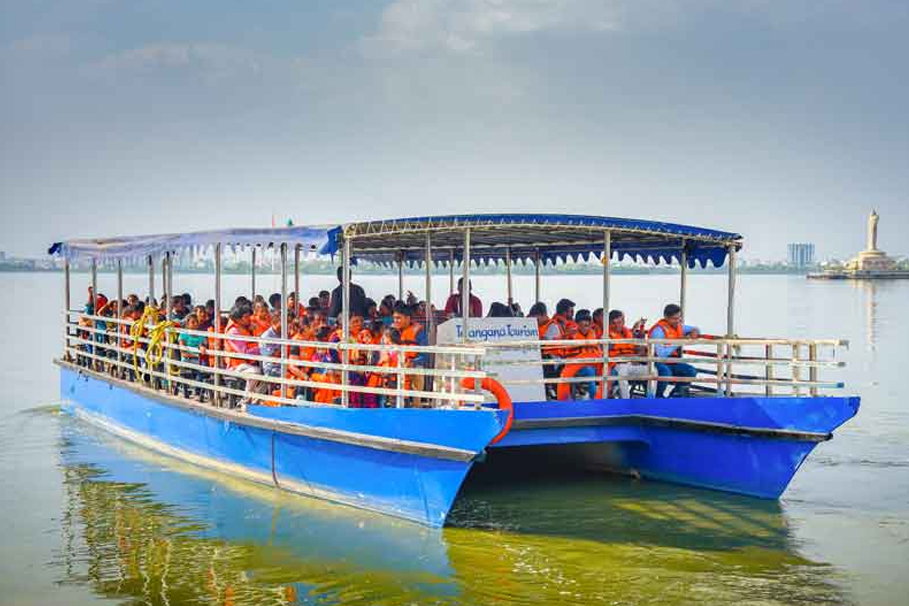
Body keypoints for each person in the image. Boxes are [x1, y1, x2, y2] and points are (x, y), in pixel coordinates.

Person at [649, 303, 700, 397]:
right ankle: (658, 396)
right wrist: (678, 342)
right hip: (658, 362)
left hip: (673, 361)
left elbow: (695, 328)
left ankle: (677, 393)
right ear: (666, 317)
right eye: (674, 318)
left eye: (679, 318)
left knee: (690, 371)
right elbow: (660, 354)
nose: (678, 321)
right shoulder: (658, 331)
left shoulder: (679, 326)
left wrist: (695, 331)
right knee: (665, 373)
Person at [223, 301, 264, 405]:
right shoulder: (233, 332)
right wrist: (261, 348)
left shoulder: (248, 328)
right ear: (238, 319)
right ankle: (245, 400)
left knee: (270, 374)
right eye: (246, 317)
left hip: (252, 362)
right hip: (236, 366)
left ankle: (256, 400)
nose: (249, 319)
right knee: (255, 372)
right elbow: (244, 352)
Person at [607, 309, 649, 399]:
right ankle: (625, 399)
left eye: (620, 322)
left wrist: (641, 351)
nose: (617, 325)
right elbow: (611, 356)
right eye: (614, 323)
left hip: (633, 363)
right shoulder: (607, 336)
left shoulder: (628, 333)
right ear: (610, 323)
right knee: (622, 373)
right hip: (618, 365)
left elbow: (637, 347)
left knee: (653, 370)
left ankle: (651, 398)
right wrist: (633, 357)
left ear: (623, 321)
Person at [392, 301, 428, 403]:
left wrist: (413, 362)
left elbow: (424, 354)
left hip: (413, 368)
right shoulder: (391, 331)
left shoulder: (419, 332)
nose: (395, 321)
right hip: (395, 369)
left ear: (407, 318)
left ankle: (416, 405)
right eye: (394, 318)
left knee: (415, 400)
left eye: (398, 318)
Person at [564, 309, 601, 398]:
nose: (585, 328)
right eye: (583, 325)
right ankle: (595, 399)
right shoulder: (570, 335)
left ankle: (608, 397)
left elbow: (598, 351)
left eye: (587, 325)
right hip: (575, 367)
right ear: (577, 325)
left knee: (610, 371)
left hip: (593, 364)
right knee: (589, 371)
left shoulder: (592, 334)